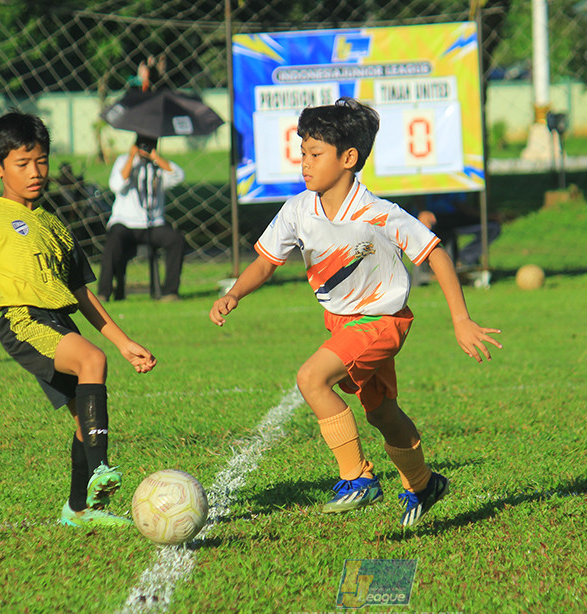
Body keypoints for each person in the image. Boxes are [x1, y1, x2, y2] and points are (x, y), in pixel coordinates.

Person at [209, 98, 502, 527]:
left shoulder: (378, 213)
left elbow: (434, 253)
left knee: (311, 378)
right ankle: (423, 484)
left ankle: (357, 477)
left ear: (348, 159)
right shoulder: (297, 210)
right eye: (302, 153)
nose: (304, 164)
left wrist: (460, 319)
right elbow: (267, 261)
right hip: (343, 324)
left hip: (382, 322)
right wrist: (234, 293)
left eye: (315, 154)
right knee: (381, 411)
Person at [0, 111, 157, 528]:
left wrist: (124, 342)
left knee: (82, 419)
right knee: (92, 362)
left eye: (41, 161)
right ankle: (102, 472)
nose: (35, 172)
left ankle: (80, 510)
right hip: (23, 321)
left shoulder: (56, 225)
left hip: (59, 320)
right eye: (22, 164)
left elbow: (81, 293)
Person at [97, 134, 186, 302]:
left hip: (153, 223)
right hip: (125, 223)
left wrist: (156, 159)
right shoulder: (124, 160)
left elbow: (178, 176)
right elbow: (116, 185)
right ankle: (104, 292)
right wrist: (132, 158)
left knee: (176, 240)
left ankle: (170, 292)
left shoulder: (158, 165)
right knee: (113, 240)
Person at [414, 192, 502, 269]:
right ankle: (460, 260)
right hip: (432, 219)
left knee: (492, 227)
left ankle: (464, 259)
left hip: (453, 217)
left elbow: (462, 206)